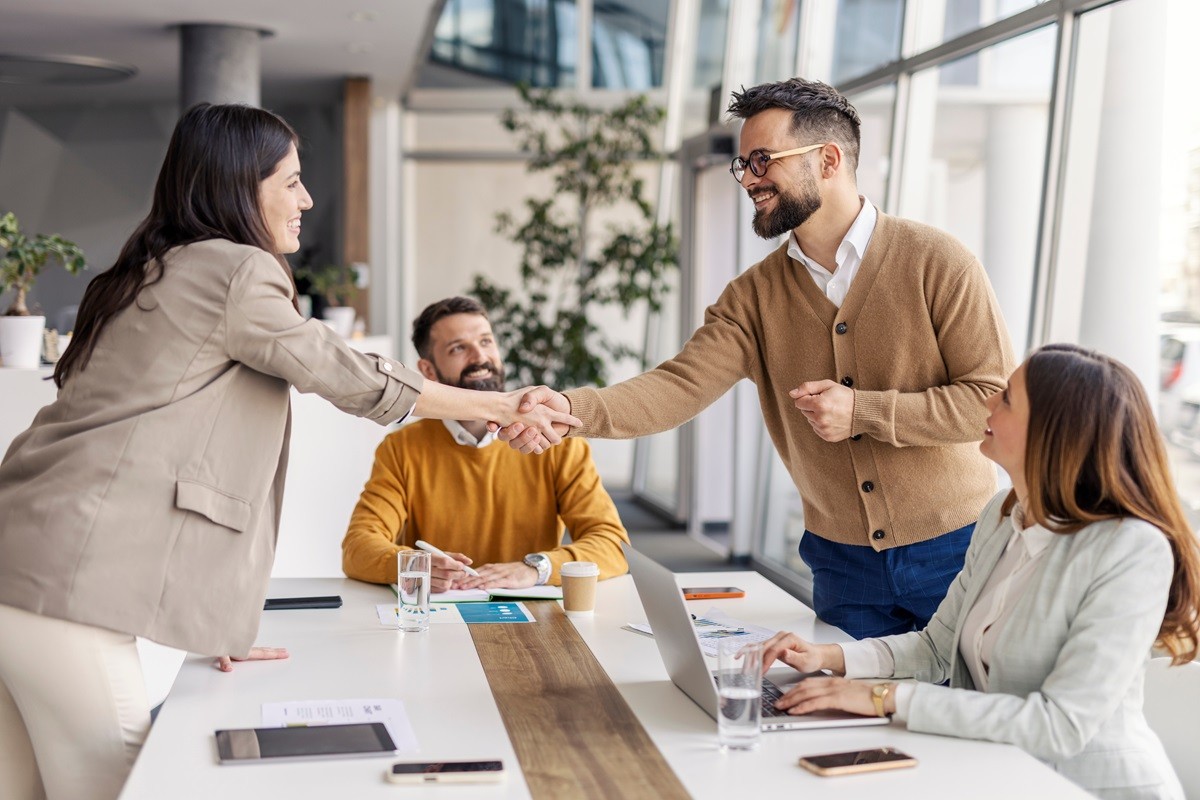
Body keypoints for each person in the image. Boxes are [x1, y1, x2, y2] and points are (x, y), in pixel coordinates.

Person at [0, 103, 576, 800]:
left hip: (21, 561)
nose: (306, 199)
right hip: (62, 592)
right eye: (292, 181)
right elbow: (344, 372)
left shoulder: (150, 269)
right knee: (125, 784)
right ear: (245, 185)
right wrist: (500, 406)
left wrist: (209, 618)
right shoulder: (238, 271)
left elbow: (154, 459)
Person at [502, 77, 1015, 639]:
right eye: (743, 164)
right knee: (848, 715)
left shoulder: (938, 262)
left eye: (763, 160)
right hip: (842, 564)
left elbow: (990, 402)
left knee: (960, 710)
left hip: (956, 547)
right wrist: (569, 408)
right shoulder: (752, 296)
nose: (748, 179)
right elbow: (676, 387)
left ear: (827, 159)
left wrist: (863, 411)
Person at [758, 344, 1199, 800]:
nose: (988, 401)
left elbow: (1061, 724)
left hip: (1089, 789)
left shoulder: (1130, 550)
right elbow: (936, 646)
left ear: (1053, 433)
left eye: (1007, 397)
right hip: (1000, 773)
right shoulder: (1002, 515)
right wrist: (826, 658)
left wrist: (882, 698)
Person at [341, 296, 629, 591]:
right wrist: (416, 565)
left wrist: (537, 568)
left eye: (486, 341)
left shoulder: (557, 443)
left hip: (531, 618)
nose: (479, 357)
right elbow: (358, 549)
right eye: (458, 348)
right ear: (428, 371)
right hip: (438, 619)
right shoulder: (401, 449)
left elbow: (612, 546)